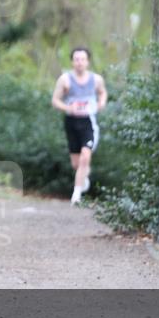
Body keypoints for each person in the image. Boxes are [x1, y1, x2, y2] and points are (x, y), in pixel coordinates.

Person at [51, 47, 107, 205]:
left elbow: (102, 92)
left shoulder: (96, 79)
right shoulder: (65, 80)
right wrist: (68, 108)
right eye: (76, 59)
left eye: (82, 59)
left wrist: (101, 103)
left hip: (88, 121)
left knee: (85, 156)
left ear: (88, 61)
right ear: (72, 62)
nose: (79, 63)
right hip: (71, 122)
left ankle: (76, 195)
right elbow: (55, 100)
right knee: (76, 163)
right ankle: (83, 178)